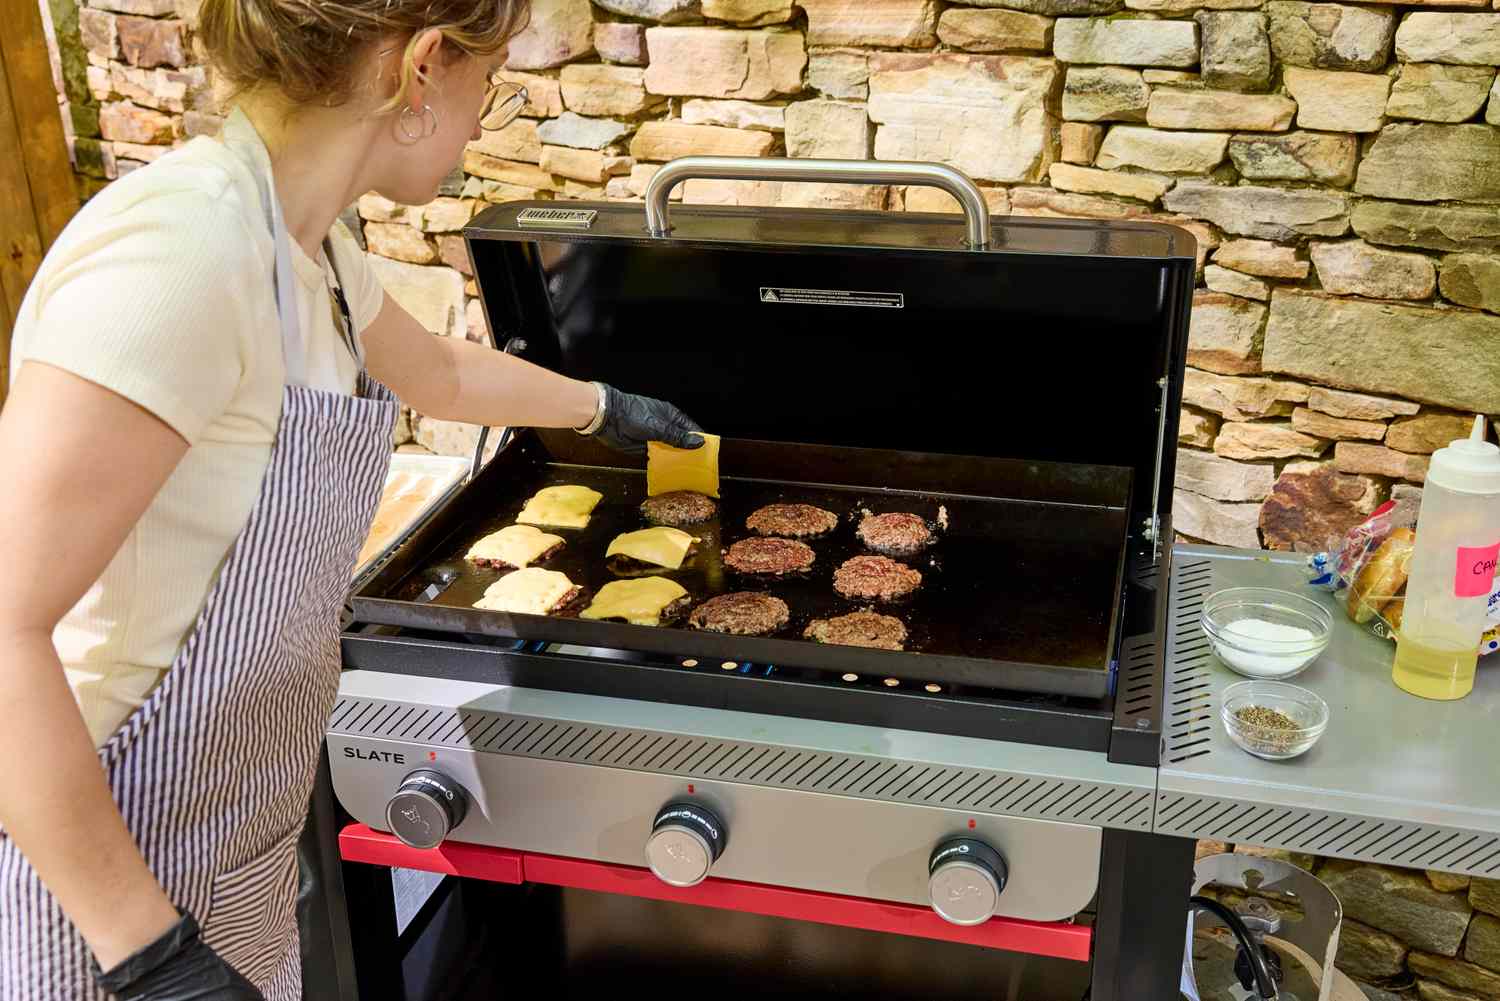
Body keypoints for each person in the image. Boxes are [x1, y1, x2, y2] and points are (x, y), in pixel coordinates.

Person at [0, 0, 700, 996]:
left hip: (230, 839)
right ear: (423, 68)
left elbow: (439, 374)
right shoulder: (177, 255)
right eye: (490, 82)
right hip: (95, 878)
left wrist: (601, 405)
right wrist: (148, 952)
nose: (483, 116)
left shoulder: (310, 251)